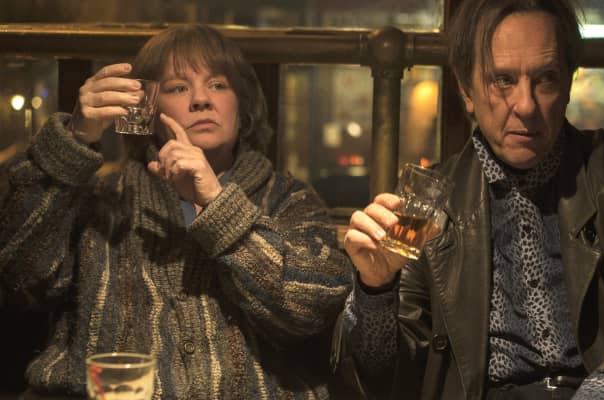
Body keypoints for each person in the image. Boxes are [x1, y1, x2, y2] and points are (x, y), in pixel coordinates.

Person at [332, 0, 604, 399]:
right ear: (466, 90)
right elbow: (386, 373)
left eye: (545, 79)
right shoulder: (431, 202)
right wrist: (375, 290)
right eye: (503, 80)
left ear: (568, 83)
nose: (526, 105)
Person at [0, 24, 352, 399]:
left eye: (218, 85)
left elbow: (311, 310)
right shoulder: (104, 200)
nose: (201, 100)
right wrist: (72, 143)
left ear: (242, 106)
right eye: (178, 88)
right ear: (147, 109)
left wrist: (218, 204)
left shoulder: (288, 199)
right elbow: (23, 279)